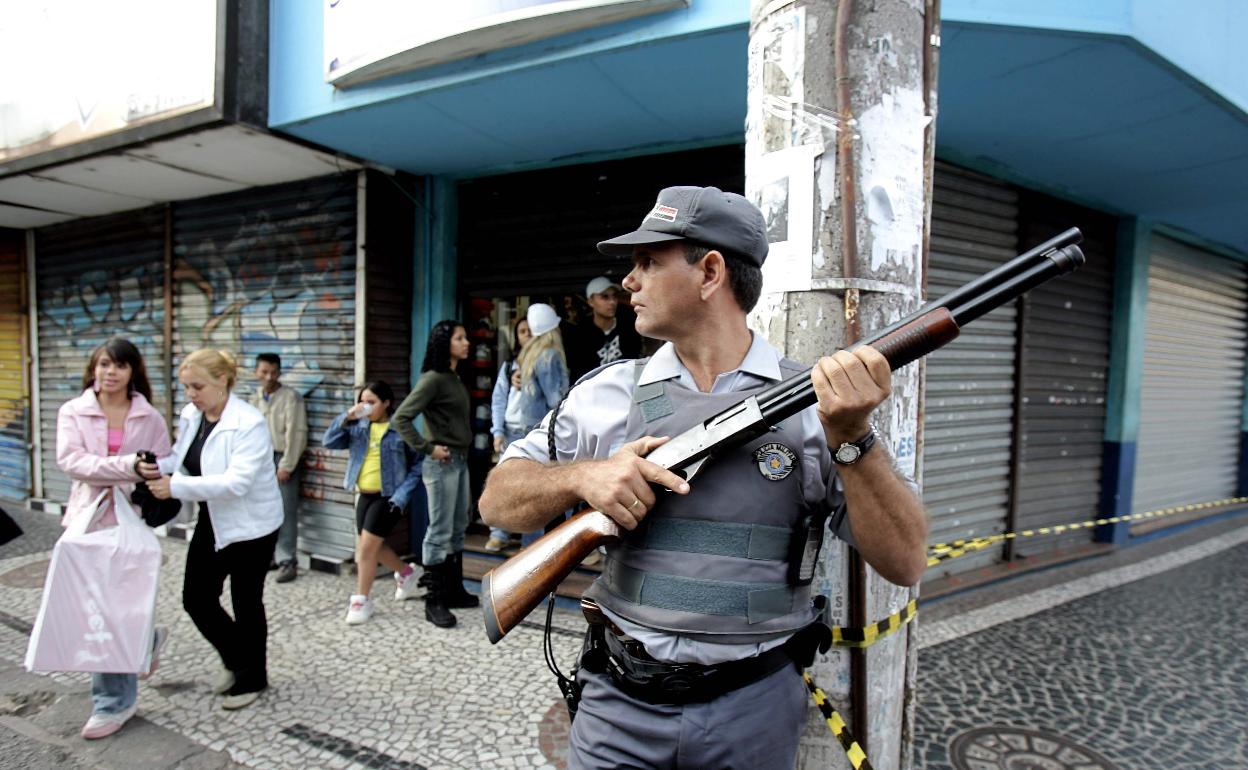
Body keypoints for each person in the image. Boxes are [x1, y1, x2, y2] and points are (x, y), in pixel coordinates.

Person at [479, 186, 928, 770]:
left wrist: (854, 439)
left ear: (710, 271)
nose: (629, 283)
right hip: (617, 701)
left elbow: (906, 561)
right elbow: (496, 501)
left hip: (753, 706)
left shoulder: (818, 406)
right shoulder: (606, 393)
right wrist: (586, 478)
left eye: (648, 262)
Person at [147, 349, 283, 711]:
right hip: (215, 518)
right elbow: (181, 458)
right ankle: (238, 661)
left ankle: (253, 678)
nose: (191, 394)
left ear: (223, 381)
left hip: (253, 525)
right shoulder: (193, 415)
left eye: (198, 386)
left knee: (246, 602)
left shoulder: (248, 423)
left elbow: (236, 483)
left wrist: (174, 487)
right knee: (197, 598)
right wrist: (155, 467)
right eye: (186, 387)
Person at [55, 337, 172, 740]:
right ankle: (142, 645)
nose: (110, 372)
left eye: (119, 366)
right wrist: (128, 466)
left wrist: (152, 472)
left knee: (115, 609)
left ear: (132, 372)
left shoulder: (149, 417)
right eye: (104, 364)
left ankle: (114, 702)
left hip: (132, 521)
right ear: (93, 368)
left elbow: (163, 460)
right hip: (89, 519)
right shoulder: (73, 411)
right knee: (98, 611)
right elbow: (72, 462)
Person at [393, 320, 479, 628]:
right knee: (439, 531)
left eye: (465, 336)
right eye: (459, 338)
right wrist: (428, 449)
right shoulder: (432, 379)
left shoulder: (453, 376)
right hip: (441, 463)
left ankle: (454, 591)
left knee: (457, 528)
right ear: (445, 344)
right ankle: (434, 601)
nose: (466, 342)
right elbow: (401, 418)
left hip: (460, 461)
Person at [322, 381, 425, 624]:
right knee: (374, 549)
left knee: (365, 549)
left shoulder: (400, 428)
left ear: (387, 402)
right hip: (364, 495)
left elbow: (419, 463)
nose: (366, 407)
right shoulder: (357, 427)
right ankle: (408, 572)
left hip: (388, 497)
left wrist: (402, 494)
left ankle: (361, 601)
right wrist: (347, 416)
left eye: (372, 402)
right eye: (362, 402)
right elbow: (329, 441)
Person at [484, 304, 570, 552]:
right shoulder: (542, 357)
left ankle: (520, 542)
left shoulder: (531, 358)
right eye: (521, 331)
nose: (526, 335)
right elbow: (556, 399)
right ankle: (524, 545)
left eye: (528, 330)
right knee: (531, 492)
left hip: (525, 430)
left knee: (518, 488)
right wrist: (497, 431)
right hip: (530, 431)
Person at [250, 352, 308, 583]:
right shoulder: (254, 398)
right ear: (256, 372)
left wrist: (287, 465)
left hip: (281, 457)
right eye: (264, 371)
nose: (269, 376)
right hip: (259, 460)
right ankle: (269, 555)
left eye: (273, 372)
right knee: (262, 510)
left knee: (285, 510)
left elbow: (297, 433)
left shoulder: (290, 397)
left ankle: (287, 561)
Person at [564, 275, 642, 381]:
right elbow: (578, 372)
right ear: (590, 302)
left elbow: (635, 359)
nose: (612, 302)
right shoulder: (580, 335)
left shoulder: (627, 327)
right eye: (604, 297)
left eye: (614, 296)